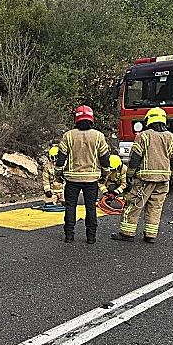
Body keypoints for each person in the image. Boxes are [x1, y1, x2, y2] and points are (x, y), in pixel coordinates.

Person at [111, 107, 173, 243]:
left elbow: (135, 157)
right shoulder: (170, 137)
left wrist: (130, 174)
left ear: (149, 120)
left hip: (145, 179)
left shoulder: (144, 136)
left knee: (134, 204)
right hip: (163, 180)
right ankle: (150, 235)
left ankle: (127, 233)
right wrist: (172, 175)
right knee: (155, 207)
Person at [54, 105, 111, 245]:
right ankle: (91, 237)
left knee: (70, 206)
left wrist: (58, 172)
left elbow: (61, 157)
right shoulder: (98, 136)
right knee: (90, 207)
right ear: (91, 119)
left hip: (72, 179)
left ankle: (69, 236)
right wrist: (105, 173)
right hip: (91, 179)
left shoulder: (68, 135)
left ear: (76, 119)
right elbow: (105, 158)